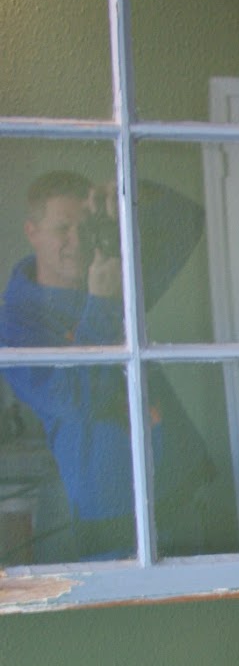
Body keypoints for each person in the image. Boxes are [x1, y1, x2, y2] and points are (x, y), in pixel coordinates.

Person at [0, 169, 215, 560]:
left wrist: (134, 191)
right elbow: (72, 400)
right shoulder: (16, 322)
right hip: (114, 516)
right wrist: (102, 305)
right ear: (33, 232)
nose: (77, 241)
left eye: (85, 225)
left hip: (184, 485)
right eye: (62, 228)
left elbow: (188, 220)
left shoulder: (111, 271)